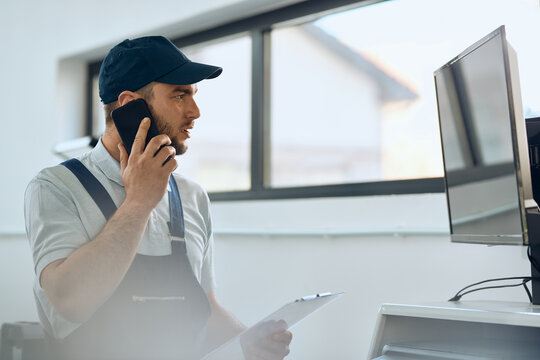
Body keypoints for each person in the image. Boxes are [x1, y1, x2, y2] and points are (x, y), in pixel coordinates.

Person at [24, 36, 292, 360]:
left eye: (193, 94)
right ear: (129, 105)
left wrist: (249, 340)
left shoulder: (192, 196)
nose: (194, 112)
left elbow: (206, 310)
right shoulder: (56, 187)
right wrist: (138, 202)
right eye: (179, 95)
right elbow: (70, 301)